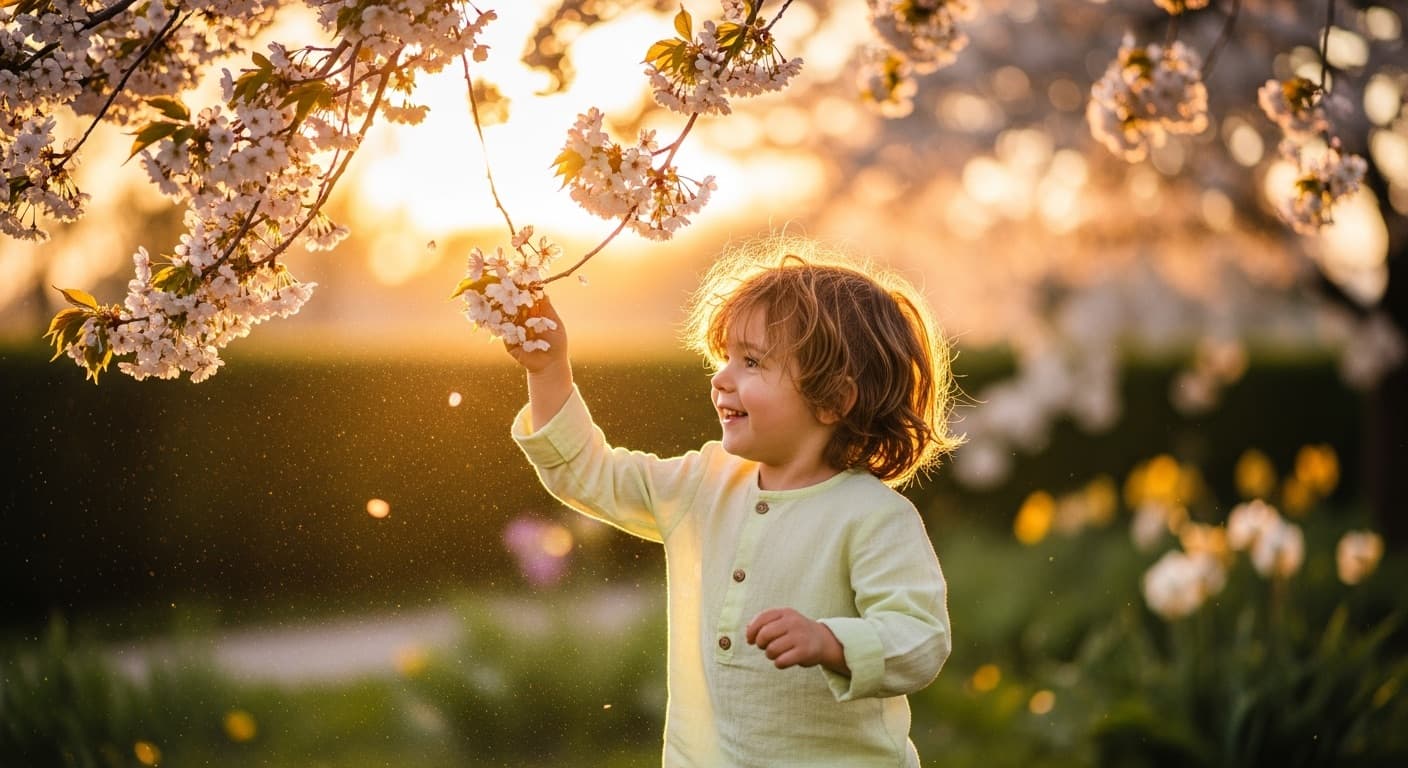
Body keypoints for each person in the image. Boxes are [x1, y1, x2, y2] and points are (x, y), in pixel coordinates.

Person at [505, 237, 959, 767]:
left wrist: (830, 641)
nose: (721, 378)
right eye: (725, 358)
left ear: (833, 400)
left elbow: (921, 639)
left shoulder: (873, 517)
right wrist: (548, 369)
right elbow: (588, 474)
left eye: (751, 361)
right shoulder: (705, 482)